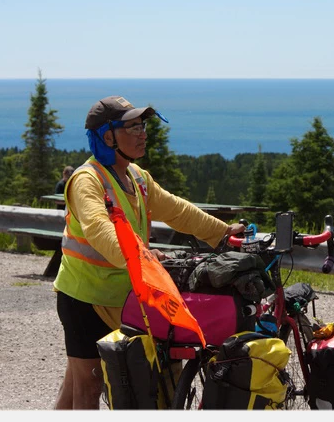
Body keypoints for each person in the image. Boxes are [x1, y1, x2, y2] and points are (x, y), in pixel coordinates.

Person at [52, 95, 246, 410]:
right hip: (85, 299)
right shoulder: (86, 181)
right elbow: (100, 230)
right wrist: (141, 256)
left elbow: (178, 211)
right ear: (108, 136)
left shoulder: (137, 177)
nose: (143, 133)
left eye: (143, 125)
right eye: (133, 127)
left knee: (76, 383)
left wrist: (222, 232)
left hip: (125, 298)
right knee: (89, 386)